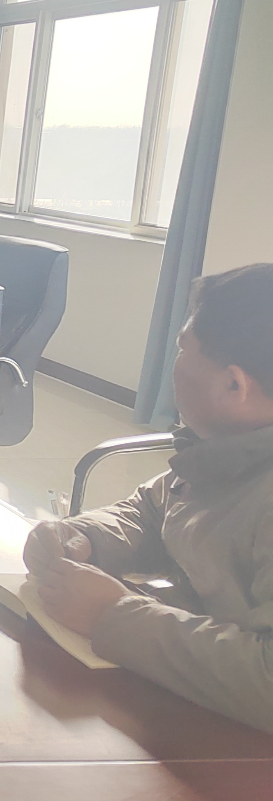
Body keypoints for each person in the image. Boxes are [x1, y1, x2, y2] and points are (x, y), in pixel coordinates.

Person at [24, 263, 273, 732]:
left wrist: (111, 615)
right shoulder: (225, 450)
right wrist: (84, 538)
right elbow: (155, 510)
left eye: (182, 348)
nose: (173, 365)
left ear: (234, 385)